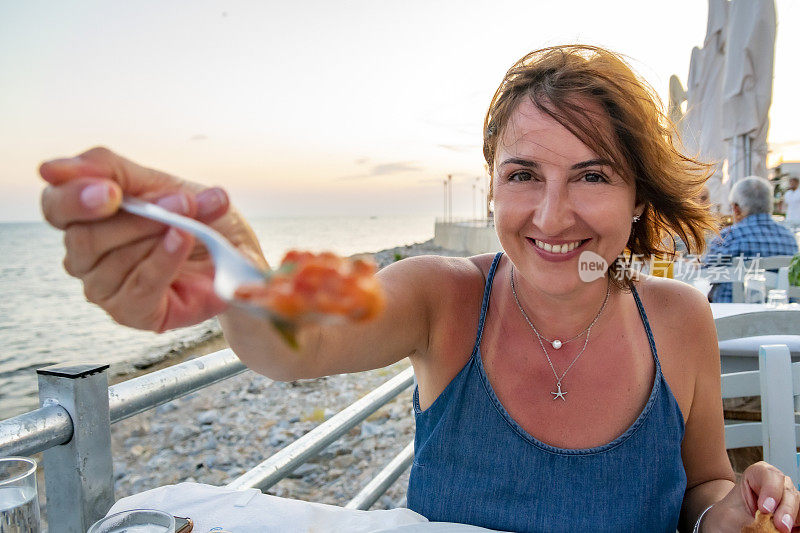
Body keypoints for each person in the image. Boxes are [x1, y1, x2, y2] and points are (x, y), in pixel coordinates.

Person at [38, 45, 800, 532]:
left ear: (637, 197)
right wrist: (232, 276)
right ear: (493, 190)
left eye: (592, 175)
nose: (551, 214)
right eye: (524, 175)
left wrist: (723, 515)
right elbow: (298, 339)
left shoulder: (678, 316)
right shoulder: (444, 296)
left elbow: (704, 480)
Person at [705, 176, 798, 303]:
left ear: (736, 208)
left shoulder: (727, 237)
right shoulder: (790, 239)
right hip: (780, 318)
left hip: (731, 317)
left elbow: (706, 273)